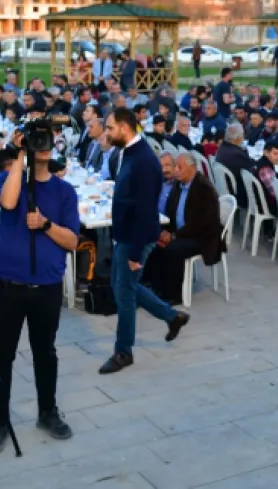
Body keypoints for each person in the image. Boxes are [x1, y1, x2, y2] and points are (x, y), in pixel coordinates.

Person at [0, 126, 80, 454]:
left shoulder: (65, 191)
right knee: (1, 357)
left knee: (45, 353)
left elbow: (73, 241)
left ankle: (47, 411)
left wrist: (47, 225)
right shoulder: (8, 180)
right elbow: (8, 202)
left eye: (45, 142)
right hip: (9, 286)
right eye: (36, 141)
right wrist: (21, 153)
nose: (42, 146)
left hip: (47, 287)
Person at [98, 108, 190, 375]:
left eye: (110, 128)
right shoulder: (128, 151)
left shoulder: (145, 161)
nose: (107, 132)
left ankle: (123, 351)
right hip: (125, 234)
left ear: (125, 128)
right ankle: (172, 316)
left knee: (124, 293)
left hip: (136, 237)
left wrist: (136, 253)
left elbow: (146, 211)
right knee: (122, 287)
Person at [142, 152, 225, 305]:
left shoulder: (203, 188)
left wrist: (173, 236)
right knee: (154, 241)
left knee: (172, 248)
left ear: (192, 168)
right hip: (182, 232)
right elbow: (171, 212)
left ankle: (174, 294)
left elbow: (200, 224)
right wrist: (166, 232)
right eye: (176, 167)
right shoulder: (178, 185)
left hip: (201, 237)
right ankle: (155, 284)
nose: (176, 170)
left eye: (180, 167)